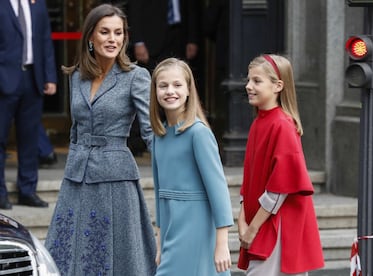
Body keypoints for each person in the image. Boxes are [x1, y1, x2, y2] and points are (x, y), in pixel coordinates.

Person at [44, 4, 156, 275]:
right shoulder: (77, 76)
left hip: (116, 181)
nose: (112, 39)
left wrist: (177, 166)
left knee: (115, 260)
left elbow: (151, 131)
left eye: (118, 33)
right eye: (105, 32)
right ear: (91, 37)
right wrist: (73, 160)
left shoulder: (136, 77)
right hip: (76, 179)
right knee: (66, 256)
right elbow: (76, 129)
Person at [237, 54, 325, 275]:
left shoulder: (282, 125)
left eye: (257, 81)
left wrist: (252, 228)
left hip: (278, 226)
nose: (249, 86)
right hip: (263, 221)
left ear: (278, 86)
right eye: (248, 80)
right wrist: (241, 220)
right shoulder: (260, 122)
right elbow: (250, 179)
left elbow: (279, 188)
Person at [150, 57, 233, 275]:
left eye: (177, 85)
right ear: (155, 91)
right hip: (170, 230)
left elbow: (219, 191)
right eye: (163, 85)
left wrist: (222, 243)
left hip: (195, 228)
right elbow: (160, 194)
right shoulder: (159, 136)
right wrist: (159, 242)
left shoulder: (198, 133)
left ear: (188, 90)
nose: (170, 91)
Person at [0, 0, 57, 210]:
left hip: (33, 78)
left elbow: (45, 41)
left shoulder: (37, 4)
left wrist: (50, 77)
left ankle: (27, 190)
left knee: (30, 140)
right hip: (4, 81)